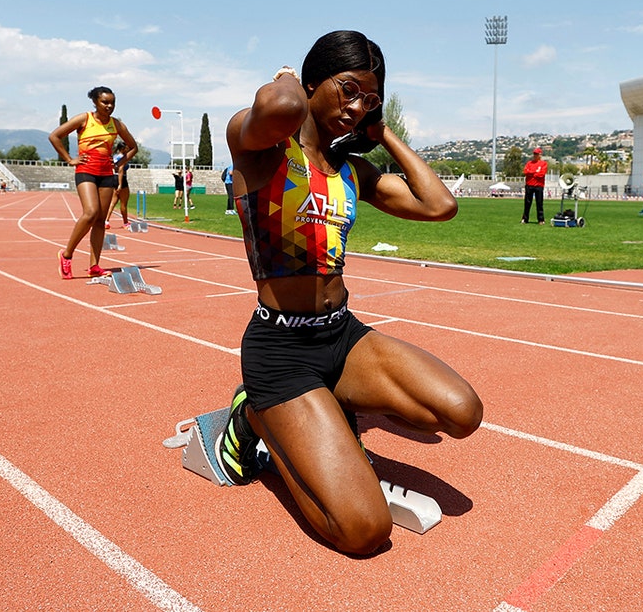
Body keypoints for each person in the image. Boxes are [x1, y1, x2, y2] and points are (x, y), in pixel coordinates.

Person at [219, 30, 483, 555]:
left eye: (369, 99)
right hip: (280, 354)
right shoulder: (263, 151)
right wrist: (291, 83)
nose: (355, 106)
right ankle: (256, 417)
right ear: (312, 81)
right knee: (364, 531)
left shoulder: (351, 171)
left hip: (341, 337)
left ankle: (329, 403)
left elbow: (439, 206)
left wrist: (382, 134)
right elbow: (280, 106)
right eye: (347, 89)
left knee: (461, 412)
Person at [50, 85, 139, 280]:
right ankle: (66, 255)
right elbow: (54, 136)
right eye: (105, 102)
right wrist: (69, 159)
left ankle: (94, 266)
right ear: (95, 102)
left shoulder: (117, 125)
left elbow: (133, 147)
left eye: (112, 103)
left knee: (100, 219)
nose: (109, 106)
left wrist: (119, 162)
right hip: (86, 171)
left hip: (106, 173)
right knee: (90, 213)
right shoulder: (85, 119)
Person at [105, 140, 132, 229]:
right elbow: (120, 170)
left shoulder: (115, 157)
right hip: (121, 179)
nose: (128, 149)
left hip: (114, 179)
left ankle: (106, 221)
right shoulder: (122, 158)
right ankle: (125, 223)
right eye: (127, 148)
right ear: (123, 148)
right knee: (123, 203)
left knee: (113, 202)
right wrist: (120, 184)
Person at [520, 147, 547, 224]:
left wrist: (532, 173)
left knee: (539, 203)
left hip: (539, 186)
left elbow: (541, 174)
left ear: (540, 155)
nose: (535, 155)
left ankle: (541, 219)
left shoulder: (543, 164)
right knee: (527, 203)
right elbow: (526, 172)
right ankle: (525, 219)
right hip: (529, 185)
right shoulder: (529, 163)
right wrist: (534, 172)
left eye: (536, 154)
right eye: (534, 154)